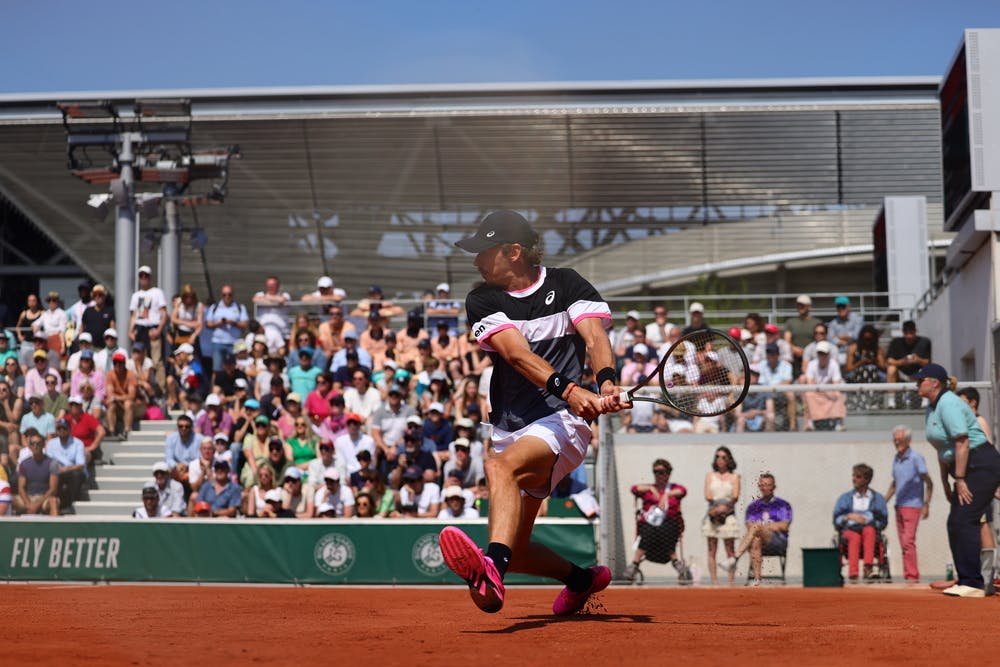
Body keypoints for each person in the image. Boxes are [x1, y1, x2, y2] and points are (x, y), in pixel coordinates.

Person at [437, 209, 622, 616]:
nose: (475, 261)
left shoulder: (567, 283)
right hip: (514, 424)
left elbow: (594, 337)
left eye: (483, 252)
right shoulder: (482, 299)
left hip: (563, 422)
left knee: (498, 468)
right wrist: (573, 389)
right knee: (516, 549)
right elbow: (516, 355)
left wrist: (607, 382)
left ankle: (490, 571)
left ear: (513, 252)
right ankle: (581, 580)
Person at [917, 363, 1000, 597]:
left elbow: (962, 442)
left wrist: (960, 479)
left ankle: (974, 583)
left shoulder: (949, 403)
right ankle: (967, 580)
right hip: (965, 467)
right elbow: (943, 448)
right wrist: (946, 481)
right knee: (956, 522)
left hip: (979, 463)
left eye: (920, 380)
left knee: (965, 520)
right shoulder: (931, 408)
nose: (916, 383)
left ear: (935, 382)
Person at [623, 459, 690, 583]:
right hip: (649, 525)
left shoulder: (674, 488)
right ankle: (635, 563)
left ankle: (636, 562)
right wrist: (650, 488)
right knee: (650, 529)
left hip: (669, 524)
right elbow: (633, 489)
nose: (659, 475)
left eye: (662, 472)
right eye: (656, 472)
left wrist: (666, 495)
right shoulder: (649, 489)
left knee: (666, 528)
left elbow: (683, 491)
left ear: (668, 473)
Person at [722, 473, 793, 586]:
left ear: (774, 487)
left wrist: (763, 526)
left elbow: (784, 526)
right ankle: (757, 580)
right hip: (759, 539)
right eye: (763, 485)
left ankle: (735, 558)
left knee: (757, 527)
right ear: (759, 486)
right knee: (755, 539)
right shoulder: (753, 507)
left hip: (778, 541)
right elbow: (749, 526)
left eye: (768, 485)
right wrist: (769, 526)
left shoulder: (783, 505)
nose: (765, 488)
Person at [884, 425, 933, 583]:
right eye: (895, 439)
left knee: (908, 542)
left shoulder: (916, 458)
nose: (897, 442)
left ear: (908, 440)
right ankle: (908, 576)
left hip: (913, 505)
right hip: (899, 505)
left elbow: (929, 482)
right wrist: (883, 501)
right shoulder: (896, 458)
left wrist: (926, 504)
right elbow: (895, 483)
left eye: (900, 439)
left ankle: (912, 576)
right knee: (903, 543)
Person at [833, 463, 889, 582]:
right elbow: (836, 520)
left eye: (858, 476)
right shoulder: (845, 498)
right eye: (853, 476)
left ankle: (868, 568)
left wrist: (869, 521)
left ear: (867, 480)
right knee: (854, 537)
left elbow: (883, 521)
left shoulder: (877, 498)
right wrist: (848, 516)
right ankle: (853, 573)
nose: (854, 479)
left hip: (869, 529)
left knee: (869, 531)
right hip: (849, 530)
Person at [704, 446, 741, 585]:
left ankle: (731, 582)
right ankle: (714, 582)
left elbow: (735, 495)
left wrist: (725, 508)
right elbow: (707, 495)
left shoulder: (734, 476)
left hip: (729, 513)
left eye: (724, 457)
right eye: (718, 457)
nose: (720, 460)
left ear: (729, 459)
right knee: (712, 549)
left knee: (730, 549)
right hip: (713, 513)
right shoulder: (710, 476)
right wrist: (717, 508)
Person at [128, 266, 168, 385]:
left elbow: (164, 313)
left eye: (146, 276)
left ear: (150, 278)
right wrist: (130, 331)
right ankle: (140, 386)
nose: (144, 278)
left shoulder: (157, 292)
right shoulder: (135, 295)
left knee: (156, 361)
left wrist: (159, 330)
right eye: (141, 276)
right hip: (140, 329)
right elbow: (134, 315)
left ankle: (160, 389)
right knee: (139, 360)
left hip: (153, 328)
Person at [800, 340, 846, 431]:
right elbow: (810, 383)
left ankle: (838, 422)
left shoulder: (834, 364)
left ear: (828, 354)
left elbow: (836, 383)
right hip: (816, 391)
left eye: (824, 353)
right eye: (820, 353)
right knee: (809, 395)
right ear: (817, 354)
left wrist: (827, 391)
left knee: (838, 394)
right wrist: (823, 391)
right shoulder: (812, 365)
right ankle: (810, 421)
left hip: (830, 391)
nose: (822, 356)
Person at [885, 320, 932, 409]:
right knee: (891, 369)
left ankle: (925, 401)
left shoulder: (924, 342)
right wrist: (902, 362)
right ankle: (891, 401)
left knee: (928, 369)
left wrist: (918, 360)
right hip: (901, 374)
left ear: (915, 331)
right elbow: (889, 360)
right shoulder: (896, 342)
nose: (909, 336)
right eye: (906, 333)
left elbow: (928, 361)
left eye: (911, 332)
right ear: (903, 332)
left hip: (919, 373)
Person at [205, 285, 249, 374]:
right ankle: (216, 387)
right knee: (217, 369)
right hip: (218, 342)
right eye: (224, 295)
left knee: (234, 369)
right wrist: (219, 323)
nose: (227, 297)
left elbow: (245, 324)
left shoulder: (239, 307)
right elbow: (208, 323)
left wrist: (233, 323)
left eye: (229, 294)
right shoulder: (215, 307)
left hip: (234, 343)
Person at [13, 431, 59, 516]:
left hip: (44, 498)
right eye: (32, 444)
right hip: (28, 497)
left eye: (38, 443)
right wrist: (29, 505)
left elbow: (53, 489)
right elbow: (21, 488)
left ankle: (55, 529)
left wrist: (36, 505)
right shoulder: (24, 464)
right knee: (7, 499)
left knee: (54, 501)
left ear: (43, 445)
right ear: (29, 446)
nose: (35, 446)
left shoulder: (52, 463)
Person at [46, 419, 87, 512]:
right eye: (59, 428)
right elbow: (48, 461)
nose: (61, 430)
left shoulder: (78, 443)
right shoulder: (51, 443)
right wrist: (58, 469)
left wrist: (65, 469)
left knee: (76, 475)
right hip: (57, 471)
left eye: (64, 428)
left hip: (73, 471)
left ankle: (70, 505)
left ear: (69, 430)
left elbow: (80, 465)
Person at [784, 294, 822, 377]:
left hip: (812, 355)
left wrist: (806, 352)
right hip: (795, 356)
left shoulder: (816, 322)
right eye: (798, 305)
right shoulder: (790, 322)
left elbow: (820, 340)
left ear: (809, 306)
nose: (800, 307)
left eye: (803, 305)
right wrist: (794, 349)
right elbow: (787, 340)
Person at [827, 296, 863, 366]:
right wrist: (847, 340)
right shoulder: (832, 323)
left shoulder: (858, 318)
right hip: (839, 353)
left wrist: (839, 337)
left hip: (855, 352)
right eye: (838, 306)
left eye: (843, 306)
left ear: (848, 307)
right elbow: (830, 339)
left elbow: (856, 336)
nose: (840, 309)